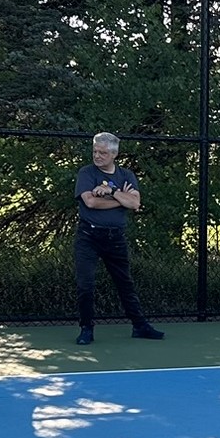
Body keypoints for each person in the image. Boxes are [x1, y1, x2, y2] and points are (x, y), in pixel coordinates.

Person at [74, 132, 166, 345]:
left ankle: (140, 325)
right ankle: (86, 328)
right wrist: (121, 199)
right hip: (88, 236)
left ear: (114, 154)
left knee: (125, 283)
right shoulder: (86, 173)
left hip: (115, 238)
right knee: (85, 284)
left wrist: (112, 190)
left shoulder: (126, 176)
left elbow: (135, 203)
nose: (97, 156)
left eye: (103, 153)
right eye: (95, 151)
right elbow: (91, 203)